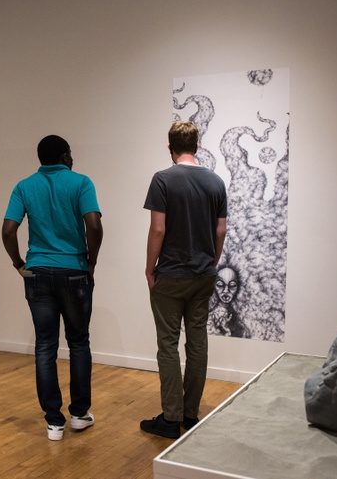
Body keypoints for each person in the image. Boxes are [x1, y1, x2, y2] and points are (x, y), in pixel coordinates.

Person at [2, 135, 103, 441]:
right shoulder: (81, 183)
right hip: (74, 272)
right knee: (78, 342)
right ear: (63, 155)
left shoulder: (24, 186)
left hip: (38, 273)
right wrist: (91, 262)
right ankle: (79, 414)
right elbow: (94, 226)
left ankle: (54, 422)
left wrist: (19, 263)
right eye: (69, 152)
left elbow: (8, 230)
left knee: (45, 346)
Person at [140, 121, 227, 439]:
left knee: (167, 345)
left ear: (169, 147)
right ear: (197, 145)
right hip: (203, 275)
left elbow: (158, 229)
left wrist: (150, 268)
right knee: (198, 343)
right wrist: (210, 264)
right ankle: (191, 415)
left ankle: (170, 417)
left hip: (172, 275)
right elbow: (221, 231)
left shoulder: (162, 180)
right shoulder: (216, 182)